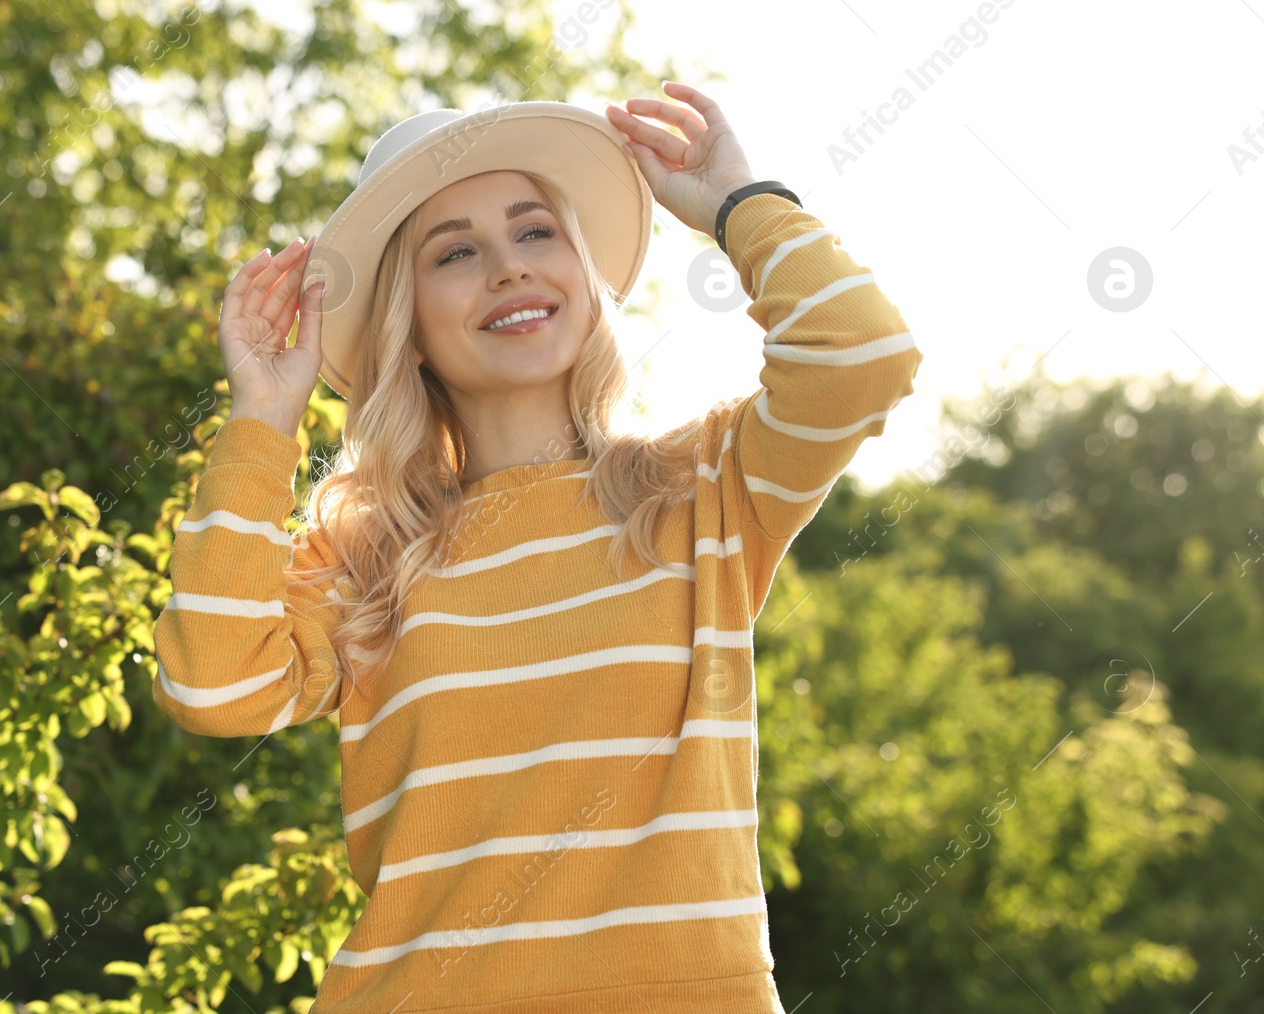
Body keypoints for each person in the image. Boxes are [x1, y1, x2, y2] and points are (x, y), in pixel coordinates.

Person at [151, 82, 924, 1012]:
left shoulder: (704, 489)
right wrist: (264, 420)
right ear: (412, 323)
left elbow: (864, 359)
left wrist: (736, 205)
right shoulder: (365, 555)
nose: (508, 268)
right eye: (456, 252)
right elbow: (211, 683)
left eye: (534, 232)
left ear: (581, 274)